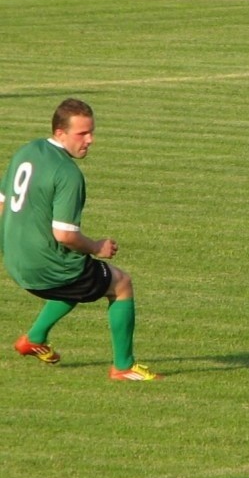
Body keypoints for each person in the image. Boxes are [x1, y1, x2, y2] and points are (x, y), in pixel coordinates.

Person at [0, 98, 161, 381]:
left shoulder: (27, 151)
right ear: (60, 132)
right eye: (82, 134)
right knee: (120, 283)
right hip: (44, 266)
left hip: (14, 260)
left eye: (91, 132)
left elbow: (1, 205)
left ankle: (34, 338)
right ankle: (123, 367)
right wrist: (99, 246)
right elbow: (65, 236)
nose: (90, 140)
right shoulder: (67, 173)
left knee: (79, 272)